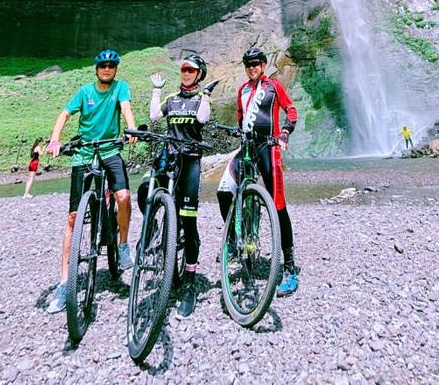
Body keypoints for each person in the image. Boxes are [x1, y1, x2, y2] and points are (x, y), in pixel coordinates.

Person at [45, 49, 137, 313]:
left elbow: (126, 108)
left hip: (110, 150)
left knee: (123, 197)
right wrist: (55, 139)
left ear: (115, 69)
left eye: (111, 66)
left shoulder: (121, 87)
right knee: (73, 217)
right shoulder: (85, 92)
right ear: (96, 69)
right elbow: (64, 114)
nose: (107, 69)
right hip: (84, 153)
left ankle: (122, 245)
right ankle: (64, 284)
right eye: (103, 66)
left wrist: (130, 129)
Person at [139, 53, 218, 319]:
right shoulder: (171, 99)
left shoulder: (199, 100)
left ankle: (190, 282)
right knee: (145, 189)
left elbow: (204, 119)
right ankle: (153, 230)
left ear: (199, 74)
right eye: (183, 69)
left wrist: (206, 95)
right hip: (169, 158)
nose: (185, 73)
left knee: (188, 220)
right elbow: (153, 116)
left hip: (191, 162)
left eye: (190, 70)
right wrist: (155, 90)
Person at [217, 47, 300, 297]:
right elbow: (241, 119)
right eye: (248, 64)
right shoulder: (241, 90)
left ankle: (289, 267)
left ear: (263, 65)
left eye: (256, 64)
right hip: (246, 148)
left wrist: (285, 131)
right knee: (223, 191)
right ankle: (234, 241)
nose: (252, 68)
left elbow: (292, 110)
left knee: (278, 205)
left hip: (268, 148)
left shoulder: (274, 87)